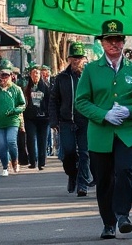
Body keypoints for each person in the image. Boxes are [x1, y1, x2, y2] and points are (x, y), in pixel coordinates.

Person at [74, 20, 132, 240]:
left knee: (124, 171)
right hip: (100, 132)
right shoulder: (91, 69)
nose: (114, 44)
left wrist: (129, 110)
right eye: (109, 40)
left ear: (123, 42)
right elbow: (81, 101)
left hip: (127, 131)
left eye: (118, 40)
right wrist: (103, 114)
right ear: (102, 43)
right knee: (103, 178)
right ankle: (108, 223)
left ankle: (123, 214)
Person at [50, 43, 91, 196]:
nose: (76, 61)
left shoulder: (88, 76)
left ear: (84, 59)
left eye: (79, 57)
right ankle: (72, 174)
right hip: (66, 121)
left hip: (85, 120)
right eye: (74, 57)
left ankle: (82, 184)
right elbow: (53, 100)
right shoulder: (62, 77)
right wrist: (54, 121)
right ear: (69, 59)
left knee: (85, 153)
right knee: (68, 153)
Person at [0, 63, 26, 176]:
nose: (4, 78)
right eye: (3, 76)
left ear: (11, 76)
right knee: (2, 145)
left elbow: (22, 104)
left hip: (12, 120)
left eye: (6, 76)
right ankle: (5, 166)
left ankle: (15, 161)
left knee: (11, 141)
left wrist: (14, 111)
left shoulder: (16, 89)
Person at [22, 66, 51, 171]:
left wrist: (48, 114)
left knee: (42, 140)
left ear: (40, 75)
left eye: (37, 73)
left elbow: (50, 101)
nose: (35, 75)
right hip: (30, 118)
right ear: (30, 75)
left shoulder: (46, 87)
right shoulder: (26, 87)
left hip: (43, 118)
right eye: (33, 73)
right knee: (30, 139)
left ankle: (42, 162)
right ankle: (32, 161)